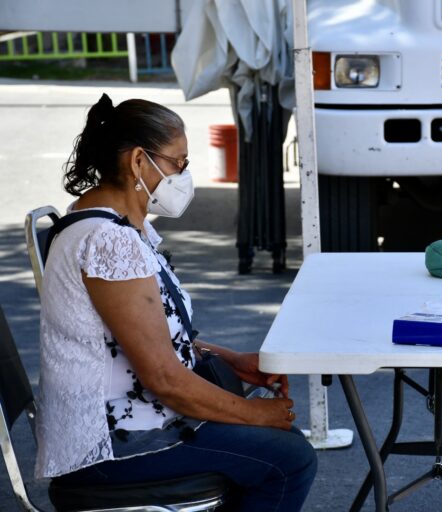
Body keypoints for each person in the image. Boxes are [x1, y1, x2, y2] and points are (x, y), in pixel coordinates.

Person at [35, 94, 316, 511]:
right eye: (178, 162)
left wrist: (229, 357)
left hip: (120, 421)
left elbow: (143, 336)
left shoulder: (109, 223)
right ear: (137, 162)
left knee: (271, 440)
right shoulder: (108, 241)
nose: (183, 174)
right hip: (109, 444)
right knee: (289, 459)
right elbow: (163, 379)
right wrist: (252, 414)